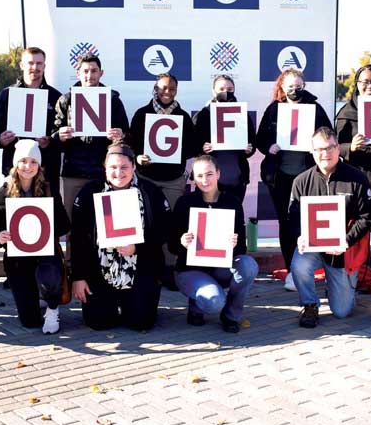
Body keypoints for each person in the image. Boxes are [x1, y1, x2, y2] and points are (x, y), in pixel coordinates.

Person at [70, 144, 170, 331]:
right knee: (99, 322)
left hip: (140, 268)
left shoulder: (149, 191)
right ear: (104, 167)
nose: (118, 172)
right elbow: (78, 238)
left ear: (134, 167)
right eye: (113, 167)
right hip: (100, 270)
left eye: (124, 167)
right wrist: (78, 277)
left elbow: (163, 230)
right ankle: (110, 300)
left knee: (140, 322)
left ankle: (134, 300)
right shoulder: (89, 192)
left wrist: (137, 247)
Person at [288, 127, 371, 328]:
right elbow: (293, 217)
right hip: (314, 247)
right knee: (298, 265)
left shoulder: (357, 178)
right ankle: (309, 304)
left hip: (343, 250)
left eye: (330, 148)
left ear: (338, 149)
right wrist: (300, 236)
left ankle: (337, 289)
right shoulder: (301, 181)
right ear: (311, 151)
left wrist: (346, 241)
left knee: (342, 311)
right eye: (319, 149)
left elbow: (367, 218)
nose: (325, 153)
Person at [0, 140, 71, 333]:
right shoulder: (3, 194)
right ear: (15, 164)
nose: (28, 166)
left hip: (45, 253)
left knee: (49, 276)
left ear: (39, 165)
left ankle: (52, 307)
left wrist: (46, 227)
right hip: (18, 258)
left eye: (33, 161)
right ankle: (36, 298)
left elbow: (65, 225)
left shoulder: (48, 190)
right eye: (23, 161)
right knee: (30, 321)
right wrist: (1, 238)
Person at [170, 155, 259, 333]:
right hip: (191, 270)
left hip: (221, 267)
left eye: (209, 174)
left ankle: (231, 315)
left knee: (248, 265)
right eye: (200, 175)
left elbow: (242, 247)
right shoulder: (185, 203)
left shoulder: (232, 203)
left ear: (218, 173)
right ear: (194, 178)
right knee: (214, 301)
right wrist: (182, 242)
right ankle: (197, 305)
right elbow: (172, 245)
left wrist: (234, 244)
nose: (205, 180)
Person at [255, 69, 333, 268]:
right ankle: (291, 267)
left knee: (309, 222)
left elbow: (329, 135)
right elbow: (260, 138)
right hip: (279, 177)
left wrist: (316, 144)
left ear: (304, 86)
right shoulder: (274, 109)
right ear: (282, 87)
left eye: (298, 86)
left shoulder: (315, 109)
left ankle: (309, 267)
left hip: (307, 176)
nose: (294, 90)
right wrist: (268, 146)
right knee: (286, 222)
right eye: (290, 86)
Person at [54, 53, 129, 224]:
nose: (90, 75)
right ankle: (73, 253)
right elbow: (53, 138)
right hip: (73, 172)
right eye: (85, 71)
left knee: (105, 224)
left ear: (101, 73)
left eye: (94, 71)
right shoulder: (66, 100)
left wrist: (119, 136)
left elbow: (127, 135)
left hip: (103, 173)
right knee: (72, 224)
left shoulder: (113, 100)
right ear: (78, 73)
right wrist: (59, 136)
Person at [0, 47, 62, 187]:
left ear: (44, 66)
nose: (35, 67)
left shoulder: (56, 97)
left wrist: (50, 141)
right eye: (30, 63)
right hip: (14, 168)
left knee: (47, 208)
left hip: (46, 169)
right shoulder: (6, 95)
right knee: (14, 208)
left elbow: (60, 133)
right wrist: (0, 139)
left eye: (39, 63)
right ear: (22, 65)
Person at [130, 73, 198, 207]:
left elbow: (192, 148)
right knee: (148, 220)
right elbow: (132, 144)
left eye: (172, 89)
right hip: (145, 178)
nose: (168, 92)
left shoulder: (184, 117)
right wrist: (137, 157)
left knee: (172, 221)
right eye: (164, 88)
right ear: (156, 89)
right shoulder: (141, 114)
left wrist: (177, 152)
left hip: (174, 180)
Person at [191, 75, 255, 203]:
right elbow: (192, 146)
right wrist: (202, 148)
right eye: (221, 88)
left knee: (233, 216)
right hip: (209, 181)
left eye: (230, 89)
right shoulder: (203, 115)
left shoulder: (242, 114)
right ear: (213, 91)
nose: (226, 92)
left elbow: (252, 143)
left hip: (236, 179)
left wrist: (249, 149)